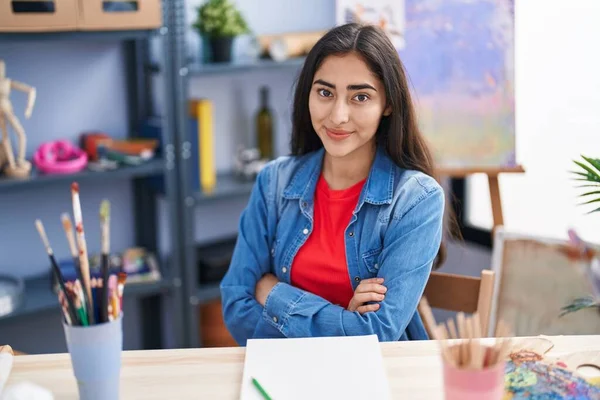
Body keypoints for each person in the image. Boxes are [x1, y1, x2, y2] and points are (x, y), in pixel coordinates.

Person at [220, 22, 447, 345]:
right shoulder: (274, 182)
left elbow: (377, 334)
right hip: (283, 374)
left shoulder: (416, 199)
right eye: (325, 93)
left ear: (388, 104)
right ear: (308, 94)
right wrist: (345, 317)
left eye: (360, 97)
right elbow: (236, 307)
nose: (338, 115)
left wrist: (274, 295)